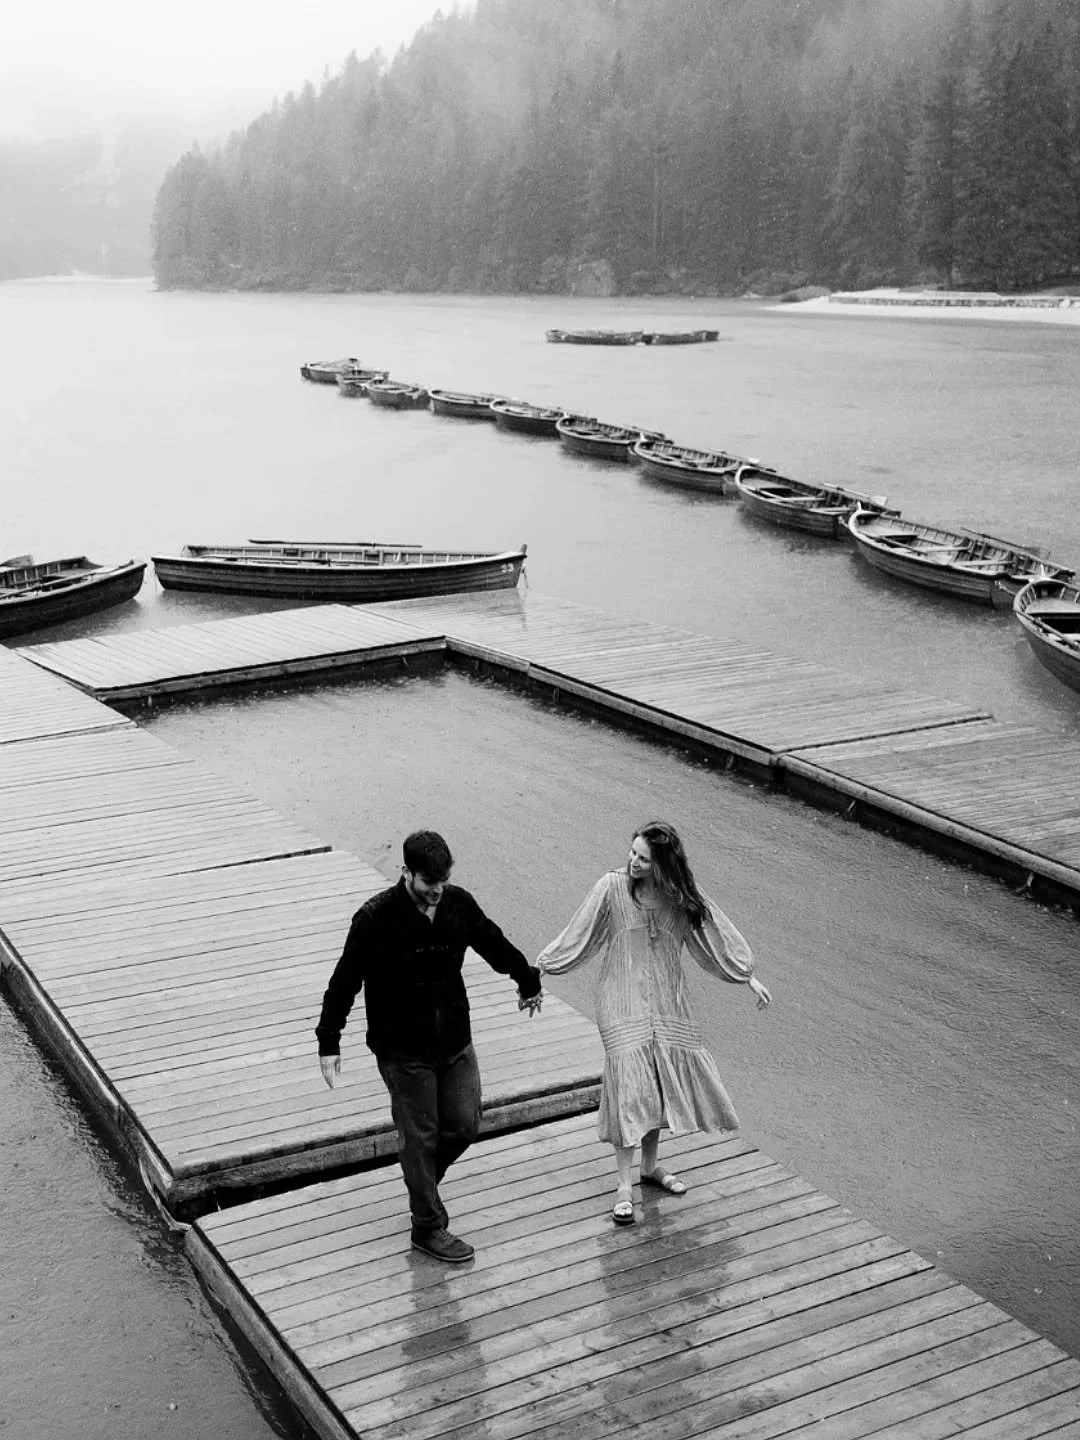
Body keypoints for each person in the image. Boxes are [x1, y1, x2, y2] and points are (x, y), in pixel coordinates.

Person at [316, 830, 543, 1264]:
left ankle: (420, 1180)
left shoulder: (457, 903)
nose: (436, 891)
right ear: (406, 873)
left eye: (442, 881)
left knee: (464, 1124)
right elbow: (344, 981)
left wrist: (527, 979)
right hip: (402, 1050)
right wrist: (330, 1039)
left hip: (455, 1038)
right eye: (427, 882)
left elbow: (494, 944)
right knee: (419, 1136)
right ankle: (427, 1225)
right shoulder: (375, 918)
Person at [537, 820, 771, 1226]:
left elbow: (713, 936)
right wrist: (540, 969)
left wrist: (744, 975)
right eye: (632, 853)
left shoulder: (680, 898)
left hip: (667, 1002)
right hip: (619, 1002)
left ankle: (650, 1167)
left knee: (657, 1084)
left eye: (643, 859)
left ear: (662, 864)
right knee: (630, 1088)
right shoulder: (610, 887)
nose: (633, 862)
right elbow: (579, 933)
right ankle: (623, 1185)